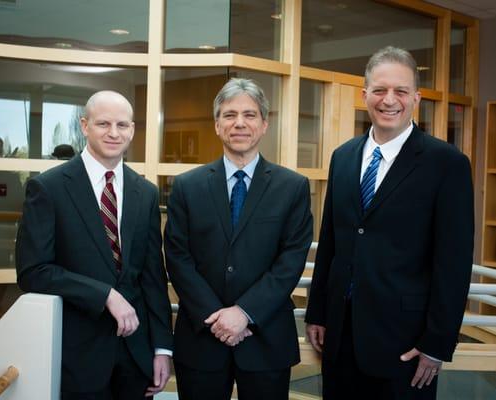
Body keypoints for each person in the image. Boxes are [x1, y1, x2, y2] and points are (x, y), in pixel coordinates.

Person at [305, 46, 474, 400]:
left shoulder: (446, 163)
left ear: (416, 97)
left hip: (407, 344)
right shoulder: (343, 157)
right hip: (339, 337)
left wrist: (437, 342)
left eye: (400, 90)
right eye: (380, 90)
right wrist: (317, 311)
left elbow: (454, 263)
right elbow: (332, 242)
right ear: (364, 94)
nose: (389, 100)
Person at [16, 90, 173, 399]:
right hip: (77, 354)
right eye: (103, 124)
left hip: (136, 354)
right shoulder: (48, 188)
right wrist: (105, 295)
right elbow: (33, 271)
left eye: (122, 125)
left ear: (132, 130)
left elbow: (154, 276)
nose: (114, 133)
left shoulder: (146, 192)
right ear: (84, 126)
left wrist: (162, 348)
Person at [164, 78, 313, 400]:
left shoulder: (292, 187)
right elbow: (178, 257)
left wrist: (244, 313)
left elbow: (290, 261)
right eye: (229, 115)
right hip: (202, 338)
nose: (239, 123)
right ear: (217, 125)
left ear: (264, 124)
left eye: (249, 115)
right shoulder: (187, 186)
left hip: (266, 338)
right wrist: (218, 318)